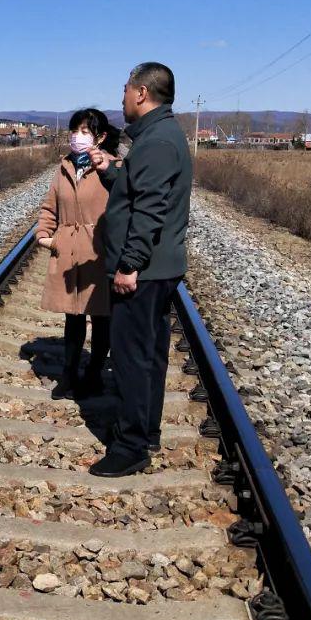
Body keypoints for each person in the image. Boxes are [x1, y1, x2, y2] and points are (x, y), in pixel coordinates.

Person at [88, 62, 192, 478]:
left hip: (144, 271)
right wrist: (112, 171)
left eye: (126, 89)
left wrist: (128, 264)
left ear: (142, 93)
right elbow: (139, 191)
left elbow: (149, 210)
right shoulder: (157, 137)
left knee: (132, 357)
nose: (123, 97)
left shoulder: (157, 142)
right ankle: (145, 430)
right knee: (148, 354)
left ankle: (131, 446)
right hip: (155, 268)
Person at [35, 108, 119, 400]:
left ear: (101, 137)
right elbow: (50, 207)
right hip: (70, 250)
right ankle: (68, 374)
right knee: (72, 316)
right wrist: (46, 235)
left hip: (99, 251)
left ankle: (94, 373)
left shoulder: (112, 168)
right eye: (75, 131)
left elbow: (123, 209)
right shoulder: (64, 167)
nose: (77, 137)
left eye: (85, 131)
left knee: (100, 316)